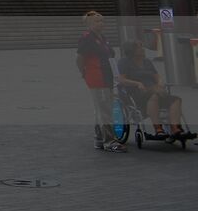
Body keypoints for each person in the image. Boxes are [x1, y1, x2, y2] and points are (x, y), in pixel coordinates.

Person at [117, 39, 194, 142]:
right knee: (154, 95)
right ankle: (158, 129)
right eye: (139, 47)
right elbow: (122, 79)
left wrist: (160, 83)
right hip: (138, 92)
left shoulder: (147, 62)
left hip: (154, 90)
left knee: (176, 100)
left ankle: (175, 129)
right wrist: (138, 83)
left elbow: (157, 76)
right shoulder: (124, 62)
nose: (142, 49)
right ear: (132, 50)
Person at [75, 11, 123, 151]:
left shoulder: (102, 37)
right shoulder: (87, 38)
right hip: (97, 77)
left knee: (101, 109)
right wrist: (84, 72)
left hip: (107, 77)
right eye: (97, 21)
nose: (101, 23)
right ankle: (110, 141)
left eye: (102, 21)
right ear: (89, 24)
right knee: (105, 110)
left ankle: (99, 139)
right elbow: (79, 58)